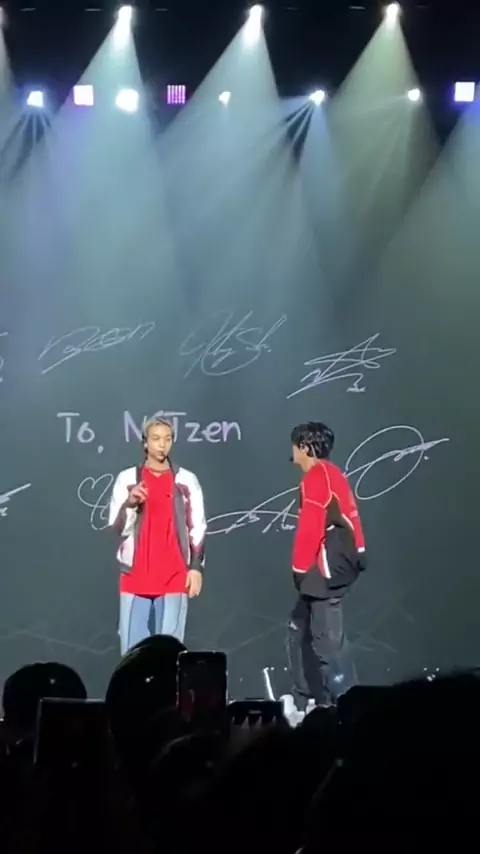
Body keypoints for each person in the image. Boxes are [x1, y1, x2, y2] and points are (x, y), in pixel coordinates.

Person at [285, 421, 366, 715]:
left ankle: (347, 706)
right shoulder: (333, 473)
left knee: (328, 643)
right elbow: (353, 519)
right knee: (299, 628)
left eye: (295, 445)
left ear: (305, 447)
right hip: (333, 568)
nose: (292, 451)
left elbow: (310, 528)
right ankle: (308, 697)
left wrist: (299, 569)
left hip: (323, 571)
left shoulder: (317, 477)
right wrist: (359, 553)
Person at [108, 416, 207, 654]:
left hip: (174, 576)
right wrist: (130, 503)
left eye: (167, 439)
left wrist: (195, 568)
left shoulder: (186, 480)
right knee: (133, 654)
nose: (162, 444)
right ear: (145, 442)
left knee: (169, 653)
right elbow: (116, 527)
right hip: (135, 577)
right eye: (156, 439)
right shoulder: (128, 479)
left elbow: (198, 526)